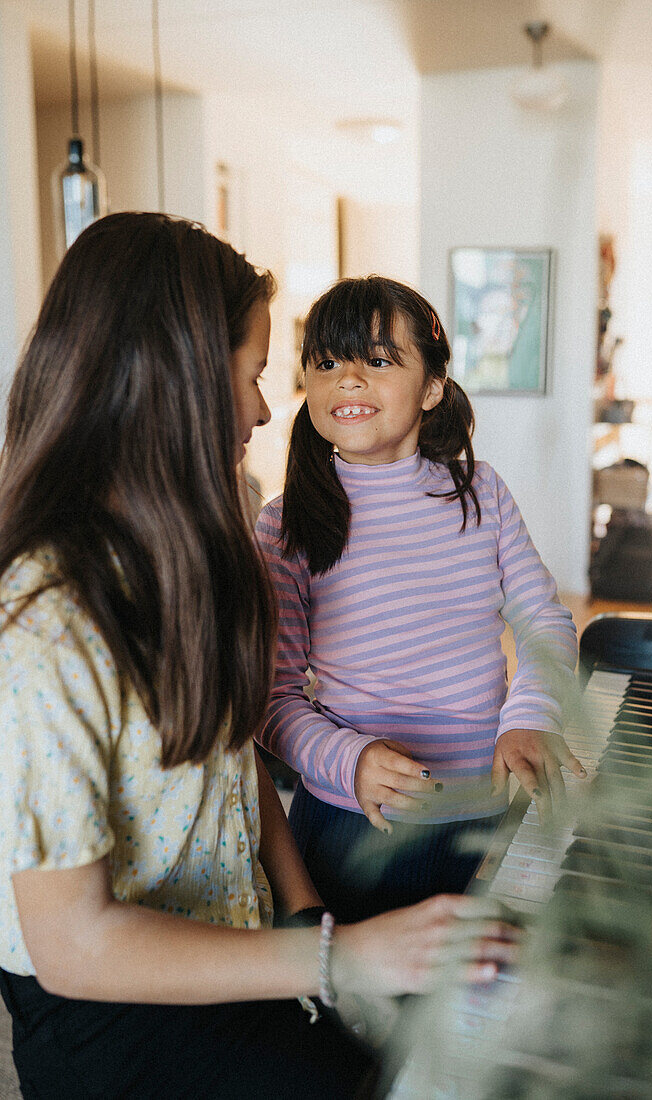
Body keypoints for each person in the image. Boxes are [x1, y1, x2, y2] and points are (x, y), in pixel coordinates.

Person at [0, 216, 519, 1100]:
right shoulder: (44, 621)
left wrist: (309, 917)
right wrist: (337, 953)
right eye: (251, 376)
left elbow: (234, 763)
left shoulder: (192, 548)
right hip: (117, 1004)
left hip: (244, 935)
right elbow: (76, 947)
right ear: (177, 380)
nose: (265, 409)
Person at [256, 275, 584, 924]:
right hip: (355, 824)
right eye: (326, 362)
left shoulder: (479, 492)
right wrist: (348, 761)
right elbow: (272, 695)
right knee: (350, 1015)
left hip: (483, 813)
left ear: (432, 387)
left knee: (465, 994)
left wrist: (529, 717)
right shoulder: (286, 522)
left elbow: (542, 618)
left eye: (377, 360)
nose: (347, 379)